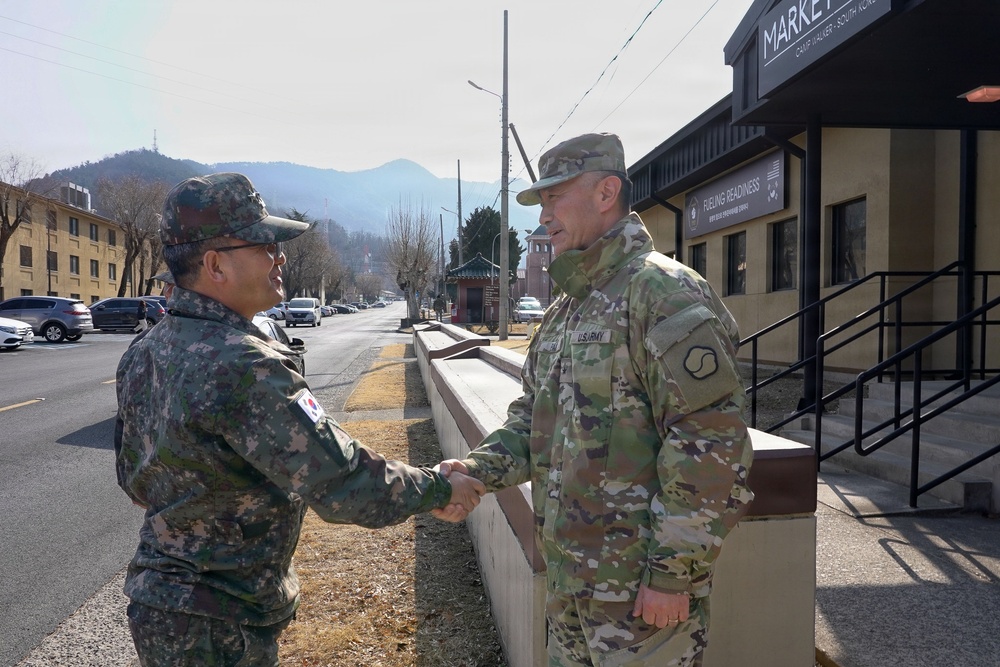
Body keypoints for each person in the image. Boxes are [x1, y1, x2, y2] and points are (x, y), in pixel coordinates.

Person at [115, 172, 484, 667]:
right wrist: (439, 487)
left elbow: (133, 480)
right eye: (265, 246)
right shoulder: (242, 365)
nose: (280, 258)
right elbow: (343, 482)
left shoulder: (144, 350)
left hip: (165, 605)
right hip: (218, 621)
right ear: (214, 264)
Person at [437, 134, 754, 666]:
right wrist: (475, 471)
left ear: (607, 192)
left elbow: (710, 443)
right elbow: (533, 421)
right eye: (541, 203)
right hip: (570, 587)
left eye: (555, 197)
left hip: (642, 600)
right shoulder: (567, 308)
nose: (544, 217)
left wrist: (673, 573)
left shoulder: (662, 292)